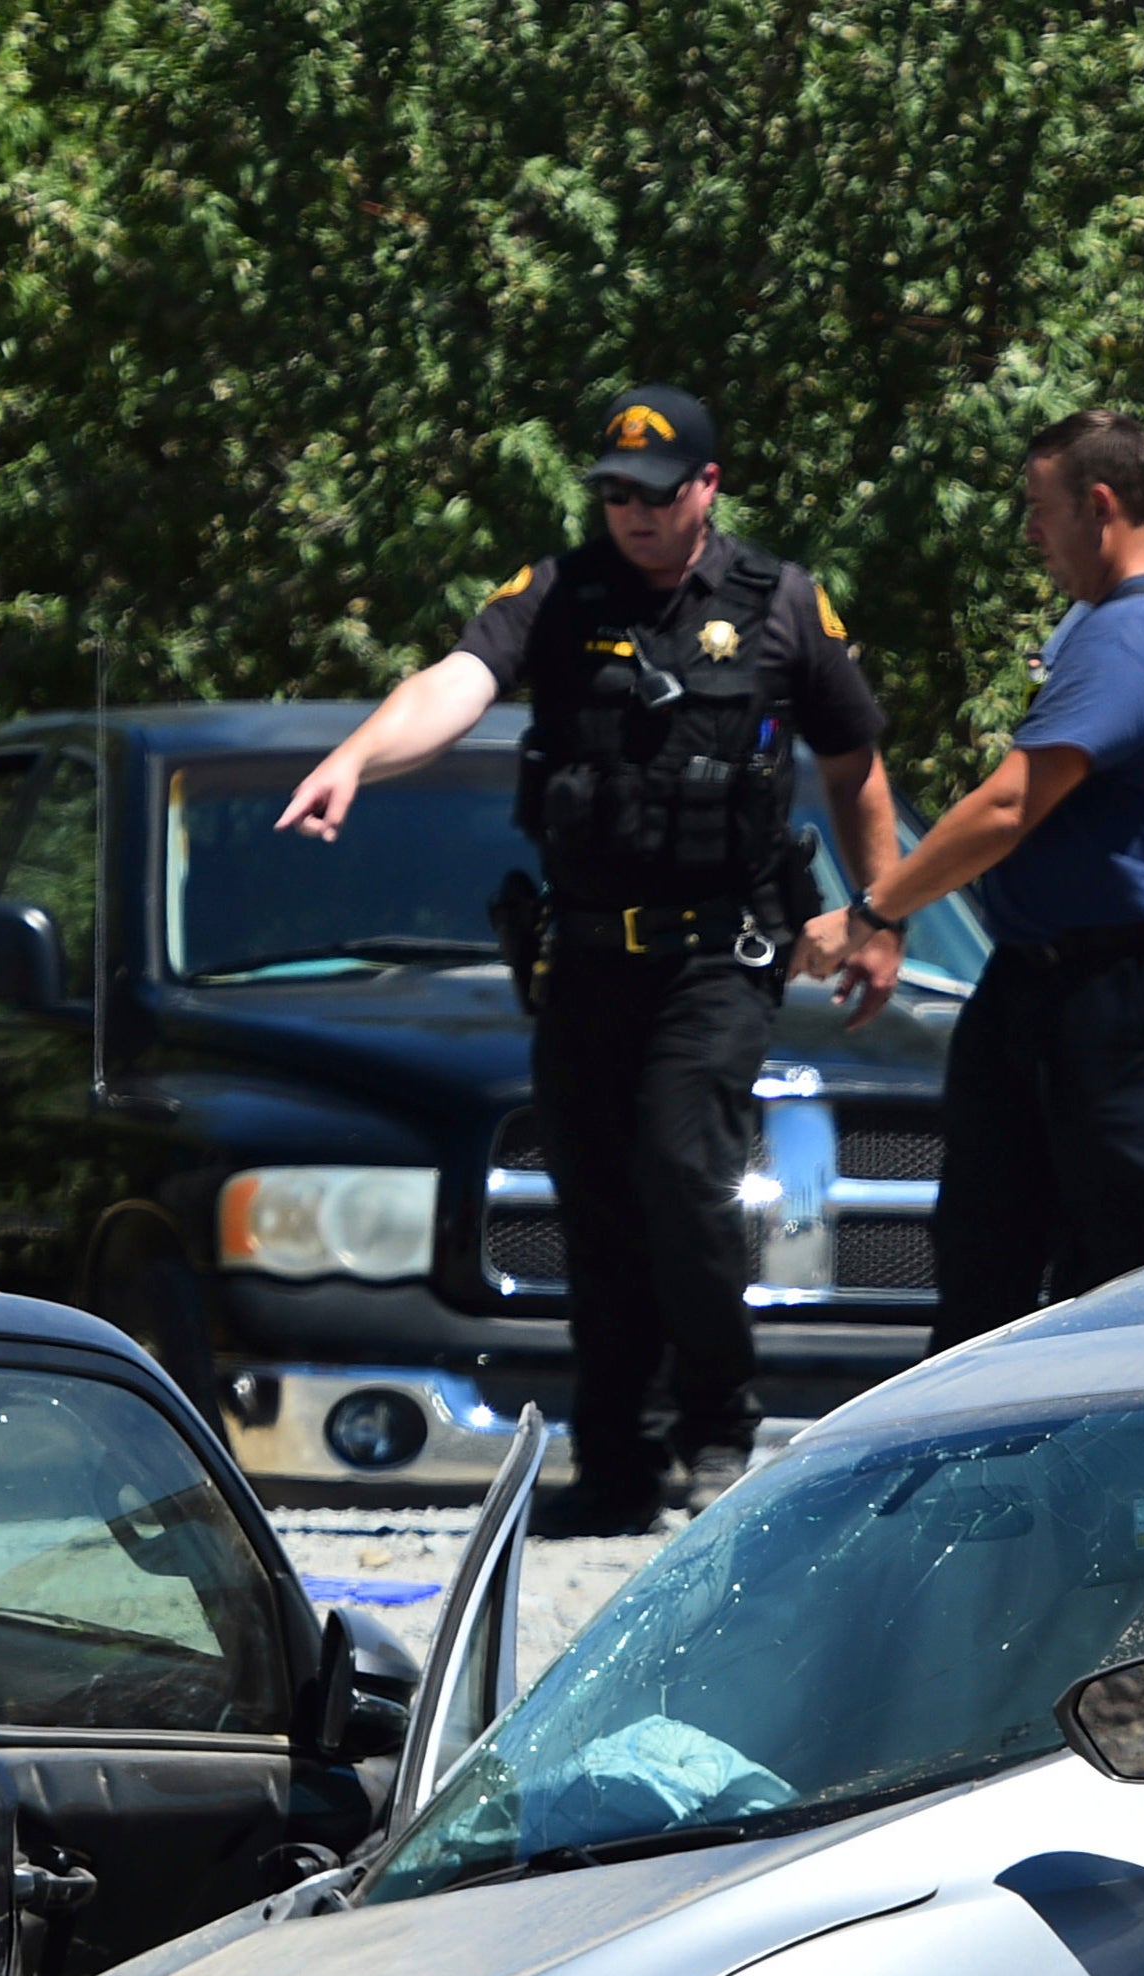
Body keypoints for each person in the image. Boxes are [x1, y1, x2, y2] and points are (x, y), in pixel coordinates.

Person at [275, 387, 902, 1537]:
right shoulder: (557, 596)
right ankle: (616, 1462)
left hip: (719, 956)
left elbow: (855, 759)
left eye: (657, 496)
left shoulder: (780, 605)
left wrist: (878, 911)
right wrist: (360, 755)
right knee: (599, 1209)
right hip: (584, 962)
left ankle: (717, 1421)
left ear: (707, 489)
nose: (635, 515)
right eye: (615, 494)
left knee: (681, 1167)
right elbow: (455, 685)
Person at [801, 409, 1144, 1350]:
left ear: (1102, 505)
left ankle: (1119, 1489)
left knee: (1122, 1280)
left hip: (1127, 996)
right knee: (984, 1255)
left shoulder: (1131, 634)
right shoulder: (1129, 624)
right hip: (1049, 983)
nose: (1030, 532)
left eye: (1040, 509)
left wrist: (873, 911)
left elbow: (1010, 805)